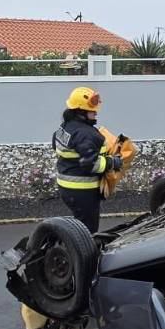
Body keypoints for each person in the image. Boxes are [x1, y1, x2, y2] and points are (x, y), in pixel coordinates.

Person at [53, 87, 122, 233]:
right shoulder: (86, 134)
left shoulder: (65, 127)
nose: (96, 112)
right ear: (81, 112)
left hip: (66, 187)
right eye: (92, 110)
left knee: (79, 225)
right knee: (87, 231)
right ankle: (81, 254)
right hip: (82, 191)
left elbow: (57, 146)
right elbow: (90, 164)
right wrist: (112, 162)